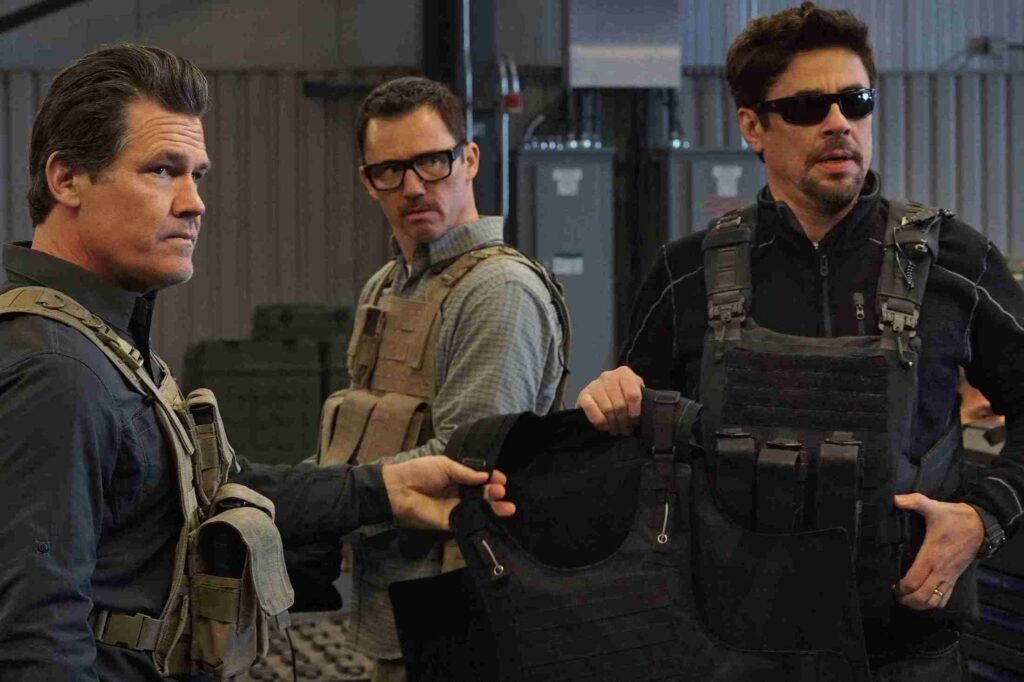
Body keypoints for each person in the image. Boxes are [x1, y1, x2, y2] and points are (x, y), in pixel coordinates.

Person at [0, 45, 512, 681]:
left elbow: (214, 492)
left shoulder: (97, 342)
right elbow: (35, 644)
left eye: (197, 175)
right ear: (67, 179)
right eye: (162, 171)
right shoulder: (58, 371)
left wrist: (386, 489)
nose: (194, 202)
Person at [577, 3, 1023, 680]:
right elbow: (635, 446)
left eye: (856, 102)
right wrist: (612, 401)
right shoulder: (686, 276)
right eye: (810, 107)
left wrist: (982, 518)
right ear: (753, 126)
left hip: (905, 655)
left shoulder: (956, 265)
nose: (839, 122)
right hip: (731, 654)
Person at [312, 76, 568, 682]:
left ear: (469, 159)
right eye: (390, 170)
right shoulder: (387, 285)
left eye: (431, 162)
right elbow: (366, 429)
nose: (413, 187)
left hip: (465, 617)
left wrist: (318, 499)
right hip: (395, 609)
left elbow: (464, 460)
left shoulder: (497, 292)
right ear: (368, 180)